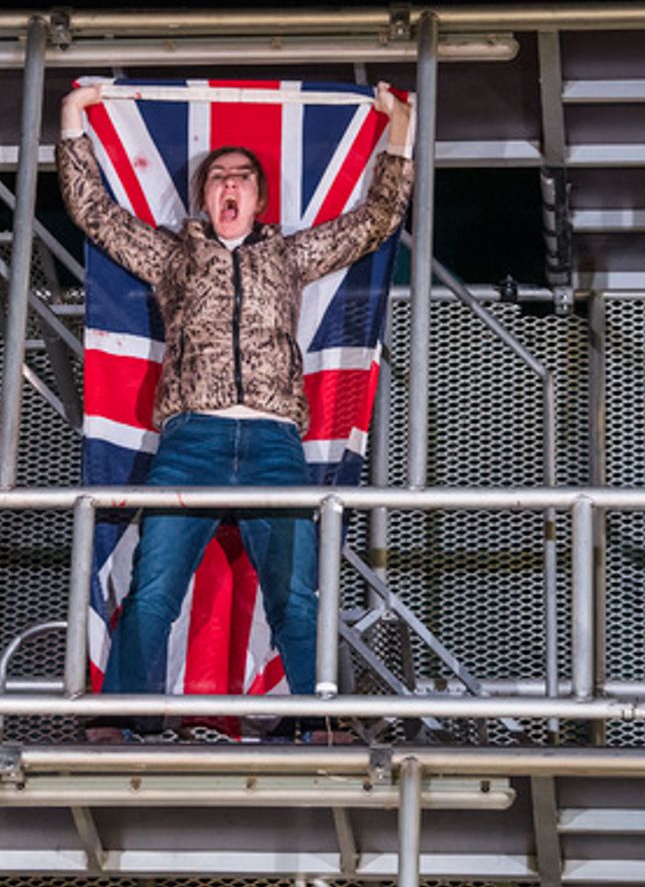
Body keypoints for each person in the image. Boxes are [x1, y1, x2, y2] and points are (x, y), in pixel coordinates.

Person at [58, 82, 414, 738]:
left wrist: (401, 126)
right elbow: (95, 213)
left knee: (294, 598)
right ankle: (121, 720)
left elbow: (375, 220)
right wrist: (74, 113)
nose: (228, 186)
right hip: (191, 439)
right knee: (154, 590)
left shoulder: (287, 255)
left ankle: (322, 723)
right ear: (204, 198)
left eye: (240, 178)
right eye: (217, 177)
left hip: (275, 444)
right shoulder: (174, 256)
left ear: (257, 197)